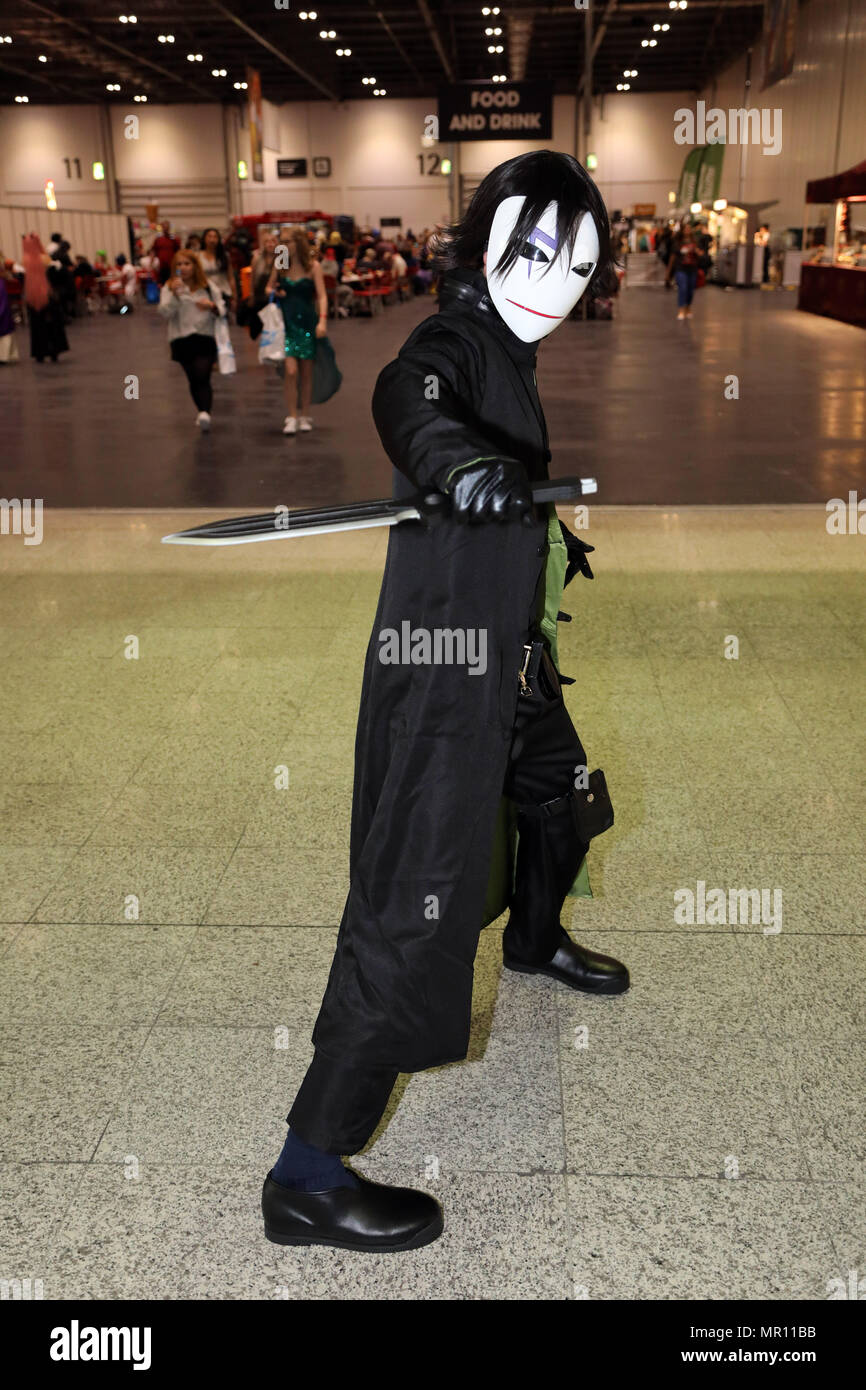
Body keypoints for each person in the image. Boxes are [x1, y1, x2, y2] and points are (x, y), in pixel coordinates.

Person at [261, 150, 627, 1254]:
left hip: (511, 659)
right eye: (529, 251)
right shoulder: (453, 341)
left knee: (561, 806)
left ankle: (533, 938)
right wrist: (453, 464)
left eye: (576, 262)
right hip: (444, 671)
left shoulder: (512, 345)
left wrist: (539, 533)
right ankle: (306, 1175)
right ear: (479, 243)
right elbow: (406, 395)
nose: (552, 282)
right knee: (409, 903)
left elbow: (500, 462)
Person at [267, 227, 328, 435]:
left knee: (306, 374)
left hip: (307, 324)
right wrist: (276, 291)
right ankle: (292, 415)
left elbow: (322, 296)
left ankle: (305, 414)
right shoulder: (281, 264)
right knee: (291, 372)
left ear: (298, 242)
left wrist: (322, 322)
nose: (284, 245)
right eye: (282, 242)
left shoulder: (313, 266)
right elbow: (267, 288)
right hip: (286, 324)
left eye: (288, 241)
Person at [158, 248, 225, 430]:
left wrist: (211, 306)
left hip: (205, 336)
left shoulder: (208, 286)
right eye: (179, 264)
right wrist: (176, 296)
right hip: (181, 338)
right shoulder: (169, 288)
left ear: (195, 266)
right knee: (193, 378)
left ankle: (205, 412)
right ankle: (201, 410)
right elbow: (164, 312)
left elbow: (222, 308)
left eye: (187, 264)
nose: (184, 268)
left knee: (203, 374)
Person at [22, 232, 69, 363]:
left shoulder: (25, 259)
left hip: (32, 298)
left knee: (37, 326)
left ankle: (39, 352)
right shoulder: (44, 258)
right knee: (51, 325)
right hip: (48, 297)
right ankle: (54, 350)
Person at [666, 223, 700, 319]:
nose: (687, 231)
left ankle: (688, 307)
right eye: (686, 229)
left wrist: (697, 252)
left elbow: (700, 253)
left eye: (689, 229)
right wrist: (669, 271)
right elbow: (672, 256)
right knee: (683, 288)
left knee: (690, 289)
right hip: (681, 268)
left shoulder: (694, 241)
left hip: (692, 268)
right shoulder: (677, 242)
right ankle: (681, 309)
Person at [199, 227, 235, 312]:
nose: (212, 240)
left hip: (223, 292)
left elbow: (231, 277)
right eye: (209, 236)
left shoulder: (224, 256)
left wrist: (234, 296)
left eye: (215, 237)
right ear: (204, 239)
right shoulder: (197, 256)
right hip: (205, 293)